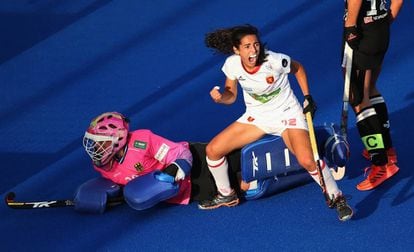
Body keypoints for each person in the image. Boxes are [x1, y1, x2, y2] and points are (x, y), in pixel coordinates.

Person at [201, 24, 353, 221]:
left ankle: (337, 198)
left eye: (255, 44)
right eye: (247, 46)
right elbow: (231, 95)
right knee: (213, 150)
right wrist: (221, 98)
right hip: (257, 116)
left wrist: (307, 97)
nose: (254, 50)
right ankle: (227, 194)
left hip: (287, 114)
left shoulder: (273, 60)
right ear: (236, 50)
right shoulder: (232, 64)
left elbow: (298, 68)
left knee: (307, 160)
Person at [75, 112, 193, 212]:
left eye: (101, 142)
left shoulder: (142, 141)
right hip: (176, 196)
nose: (96, 147)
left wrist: (168, 174)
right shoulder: (104, 165)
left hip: (195, 171)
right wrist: (115, 194)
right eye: (94, 142)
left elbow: (183, 155)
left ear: (118, 139)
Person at [343, 0, 403, 191]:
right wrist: (382, 22)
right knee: (370, 88)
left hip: (361, 33)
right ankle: (387, 149)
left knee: (358, 98)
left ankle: (381, 164)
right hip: (380, 30)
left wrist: (350, 27)